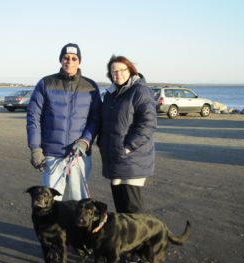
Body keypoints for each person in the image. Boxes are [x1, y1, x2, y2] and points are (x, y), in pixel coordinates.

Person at [27, 43, 101, 201]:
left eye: (74, 58)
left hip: (78, 156)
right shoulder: (46, 83)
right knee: (52, 204)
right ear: (60, 60)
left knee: (78, 203)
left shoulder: (90, 87)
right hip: (52, 156)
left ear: (79, 61)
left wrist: (85, 141)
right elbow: (33, 117)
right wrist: (35, 148)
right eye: (66, 58)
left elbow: (95, 118)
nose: (70, 61)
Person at [98, 55, 157, 214]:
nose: (118, 74)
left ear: (130, 70)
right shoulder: (110, 94)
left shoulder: (140, 91)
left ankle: (140, 239)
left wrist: (128, 147)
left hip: (132, 158)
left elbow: (148, 123)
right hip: (115, 157)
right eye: (114, 71)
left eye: (122, 70)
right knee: (121, 206)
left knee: (132, 208)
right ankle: (126, 238)